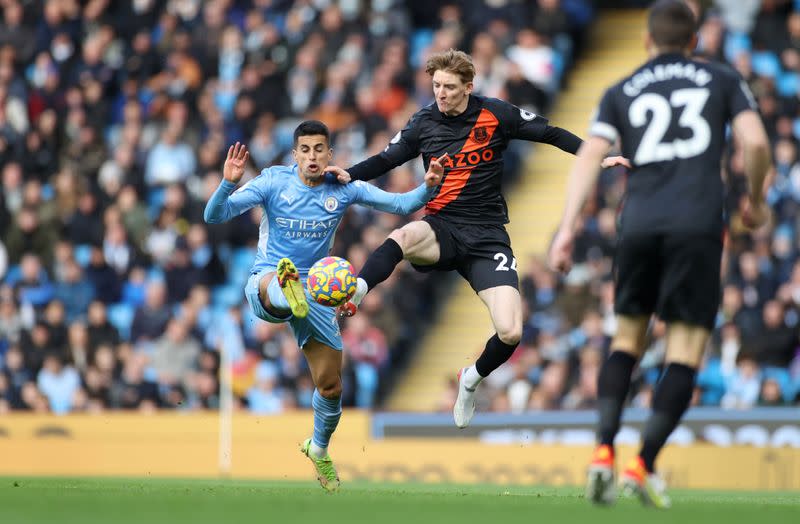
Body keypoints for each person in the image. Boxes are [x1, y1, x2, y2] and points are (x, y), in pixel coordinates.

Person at [326, 48, 629, 429]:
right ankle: (357, 290)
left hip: (488, 238)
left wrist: (594, 156)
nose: (441, 93)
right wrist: (347, 175)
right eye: (436, 85)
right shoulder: (423, 122)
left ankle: (470, 379)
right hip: (443, 226)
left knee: (511, 331)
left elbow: (548, 132)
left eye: (449, 87)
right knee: (403, 235)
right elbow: (387, 159)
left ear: (469, 86)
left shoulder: (496, 113)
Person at [548, 0, 771, 508]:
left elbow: (589, 156)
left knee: (626, 338)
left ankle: (603, 449)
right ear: (695, 41)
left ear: (647, 41)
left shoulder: (620, 88)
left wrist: (566, 229)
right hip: (696, 224)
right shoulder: (720, 78)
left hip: (639, 222)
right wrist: (755, 200)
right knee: (685, 348)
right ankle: (642, 463)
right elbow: (756, 143)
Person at [204, 121, 443, 491]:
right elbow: (214, 215)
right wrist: (228, 183)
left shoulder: (343, 189)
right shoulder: (272, 182)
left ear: (330, 154)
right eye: (305, 150)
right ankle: (287, 293)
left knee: (331, 386)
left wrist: (429, 185)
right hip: (267, 280)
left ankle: (318, 448)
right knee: (278, 286)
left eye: (320, 149)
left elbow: (401, 205)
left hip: (315, 291)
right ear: (294, 154)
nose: (312, 156)